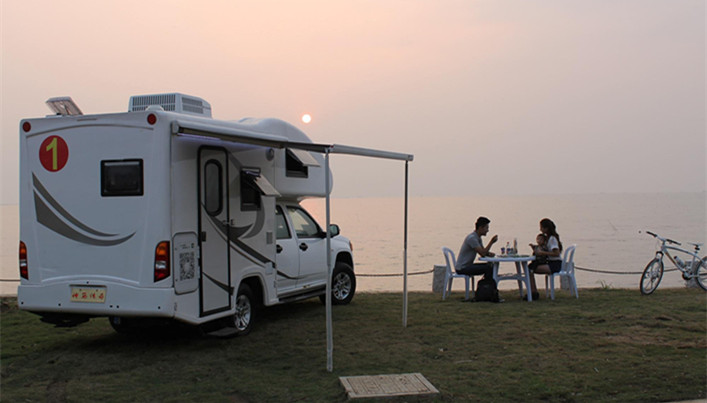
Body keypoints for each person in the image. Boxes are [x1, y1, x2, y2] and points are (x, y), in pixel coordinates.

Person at [528, 218, 563, 300]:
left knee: (529, 270)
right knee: (530, 267)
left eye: (541, 227)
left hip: (554, 264)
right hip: (550, 263)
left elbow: (556, 253)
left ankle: (533, 292)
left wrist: (543, 253)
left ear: (546, 228)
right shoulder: (548, 238)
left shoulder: (552, 239)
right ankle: (533, 292)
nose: (540, 229)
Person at [456, 216, 498, 280]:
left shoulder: (477, 238)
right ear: (480, 228)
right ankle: (487, 285)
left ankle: (487, 284)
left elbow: (483, 252)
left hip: (468, 265)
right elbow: (483, 253)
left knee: (490, 266)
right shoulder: (472, 238)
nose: (487, 230)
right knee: (488, 268)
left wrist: (489, 254)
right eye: (486, 228)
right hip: (462, 268)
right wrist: (491, 242)